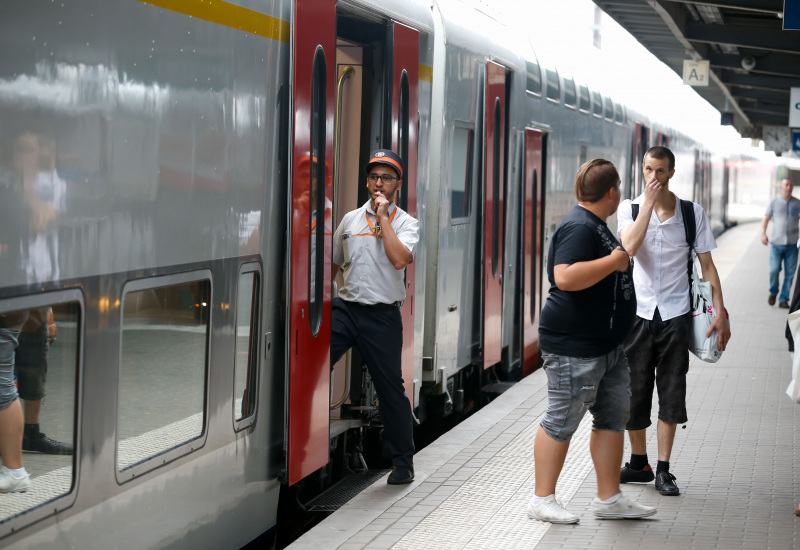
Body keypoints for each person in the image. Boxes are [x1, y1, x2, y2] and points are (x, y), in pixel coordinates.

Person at [528, 159, 656, 524]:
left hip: (607, 346)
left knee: (613, 417)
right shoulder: (578, 227)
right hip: (574, 346)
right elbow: (564, 277)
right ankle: (541, 499)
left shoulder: (594, 225)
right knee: (561, 418)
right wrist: (614, 262)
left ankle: (609, 498)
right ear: (612, 193)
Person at [617, 146, 730, 496]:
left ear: (671, 173)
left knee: (671, 391)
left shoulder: (692, 214)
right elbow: (630, 248)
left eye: (660, 171)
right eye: (648, 170)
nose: (653, 177)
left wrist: (721, 314)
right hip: (638, 315)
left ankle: (664, 469)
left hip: (676, 315)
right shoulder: (630, 209)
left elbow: (707, 267)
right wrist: (648, 206)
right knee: (634, 394)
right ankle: (640, 463)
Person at [330, 149, 419, 485]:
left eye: (387, 177)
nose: (379, 183)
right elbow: (335, 263)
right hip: (347, 310)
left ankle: (403, 464)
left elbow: (399, 260)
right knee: (313, 369)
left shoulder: (407, 224)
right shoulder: (350, 220)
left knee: (390, 390)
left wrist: (383, 220)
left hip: (382, 317)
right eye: (374, 177)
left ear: (398, 183)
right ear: (367, 181)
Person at [761, 178, 800, 308]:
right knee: (773, 270)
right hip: (776, 244)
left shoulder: (797, 203)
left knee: (790, 274)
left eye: (791, 185)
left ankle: (784, 299)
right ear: (781, 187)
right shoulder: (774, 202)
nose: (789, 187)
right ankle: (773, 292)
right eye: (786, 185)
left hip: (793, 245)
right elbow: (766, 219)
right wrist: (763, 234)